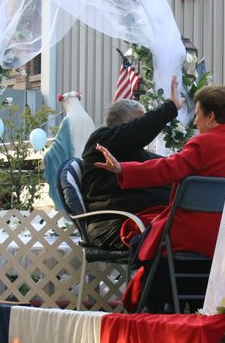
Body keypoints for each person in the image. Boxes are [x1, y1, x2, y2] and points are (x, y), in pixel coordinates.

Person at [94, 84, 225, 311]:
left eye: (198, 115)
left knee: (144, 243)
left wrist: (123, 169)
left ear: (210, 117)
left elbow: (169, 168)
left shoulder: (203, 143)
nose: (194, 123)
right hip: (223, 236)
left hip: (188, 234)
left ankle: (149, 309)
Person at [79, 76, 187, 250]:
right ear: (125, 123)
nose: (145, 124)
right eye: (141, 119)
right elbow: (138, 131)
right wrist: (170, 108)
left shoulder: (129, 149)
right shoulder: (102, 140)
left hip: (135, 217)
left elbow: (164, 167)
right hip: (113, 222)